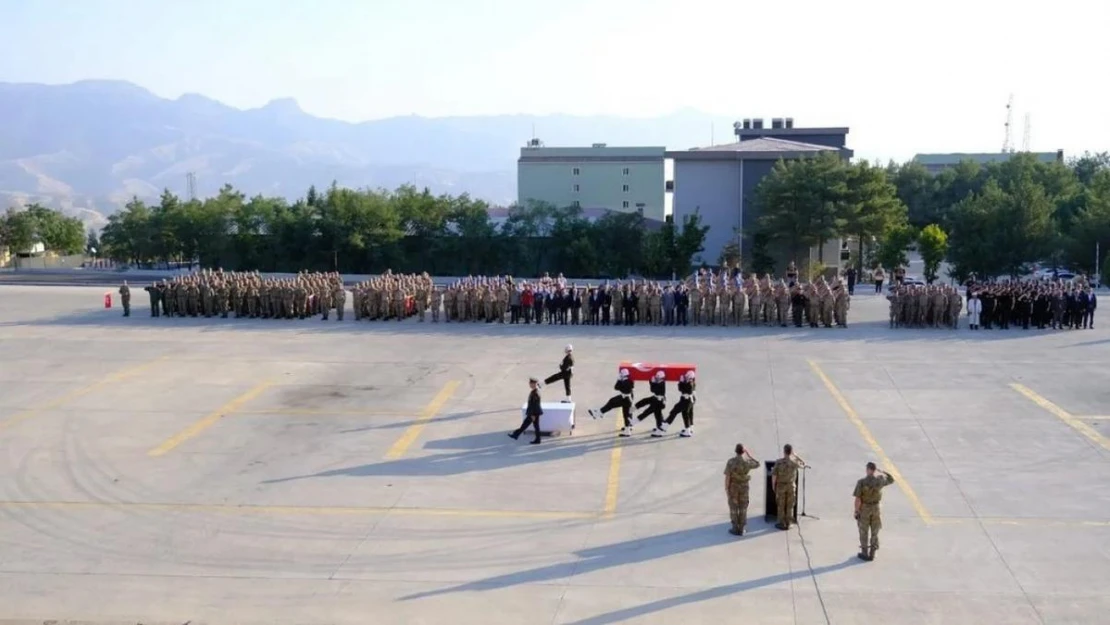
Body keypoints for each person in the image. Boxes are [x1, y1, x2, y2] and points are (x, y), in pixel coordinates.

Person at [854, 461, 895, 561]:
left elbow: (858, 499)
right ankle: (872, 552)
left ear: (868, 470)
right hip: (876, 508)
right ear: (874, 470)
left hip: (865, 509)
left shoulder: (861, 482)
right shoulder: (880, 480)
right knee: (875, 529)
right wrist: (882, 471)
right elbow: (891, 479)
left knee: (863, 530)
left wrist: (856, 511)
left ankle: (864, 553)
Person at [724, 444, 761, 536]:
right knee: (743, 507)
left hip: (733, 487)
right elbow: (757, 464)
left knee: (733, 507)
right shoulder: (747, 462)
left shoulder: (731, 462)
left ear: (735, 451)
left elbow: (728, 477)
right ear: (743, 451)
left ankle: (735, 527)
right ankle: (742, 528)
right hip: (744, 487)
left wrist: (726, 488)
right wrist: (748, 455)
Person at [587, 368, 635, 437]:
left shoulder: (627, 382)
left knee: (625, 413)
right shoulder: (628, 380)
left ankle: (627, 431)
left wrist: (619, 380)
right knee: (614, 403)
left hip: (626, 399)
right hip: (626, 398)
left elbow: (616, 387)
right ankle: (629, 427)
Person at [771, 444, 806, 530]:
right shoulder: (794, 462)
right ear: (791, 451)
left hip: (781, 486)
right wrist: (795, 455)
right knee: (790, 505)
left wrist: (773, 485)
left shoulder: (779, 462)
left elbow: (774, 476)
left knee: (781, 504)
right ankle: (788, 522)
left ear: (784, 452)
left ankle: (782, 523)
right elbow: (804, 464)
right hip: (791, 486)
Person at [660, 370, 696, 437]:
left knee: (674, 412)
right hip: (688, 401)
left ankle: (664, 427)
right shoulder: (692, 382)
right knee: (686, 415)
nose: (686, 377)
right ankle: (688, 429)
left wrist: (680, 382)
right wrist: (683, 382)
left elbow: (681, 389)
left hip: (686, 401)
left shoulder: (690, 384)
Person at [509, 377, 543, 444]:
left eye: (530, 383)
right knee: (533, 426)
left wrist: (533, 415)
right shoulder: (534, 391)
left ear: (534, 384)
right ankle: (516, 434)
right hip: (534, 412)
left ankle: (516, 434)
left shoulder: (535, 393)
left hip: (534, 413)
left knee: (527, 425)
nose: (529, 385)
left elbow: (535, 405)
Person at [634, 370, 667, 436]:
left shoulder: (661, 383)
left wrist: (652, 382)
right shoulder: (660, 382)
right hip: (656, 399)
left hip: (658, 402)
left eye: (658, 377)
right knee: (644, 402)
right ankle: (661, 427)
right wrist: (651, 381)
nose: (657, 378)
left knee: (648, 412)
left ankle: (633, 422)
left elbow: (653, 390)